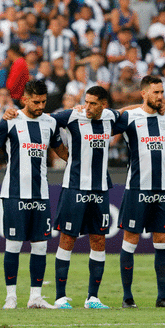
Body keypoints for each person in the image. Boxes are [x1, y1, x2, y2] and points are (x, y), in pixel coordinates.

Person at [112, 75, 165, 308]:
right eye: (155, 92)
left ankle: (162, 297)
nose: (160, 96)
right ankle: (127, 297)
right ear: (144, 93)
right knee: (130, 240)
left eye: (161, 92)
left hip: (162, 190)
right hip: (137, 189)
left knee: (162, 240)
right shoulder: (131, 117)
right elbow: (110, 117)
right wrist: (139, 106)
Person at [0, 80, 65, 310]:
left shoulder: (49, 122)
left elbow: (60, 150)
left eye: (43, 101)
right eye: (36, 101)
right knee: (13, 244)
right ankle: (11, 296)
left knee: (40, 246)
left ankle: (35, 297)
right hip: (14, 192)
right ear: (25, 100)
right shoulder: (10, 121)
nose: (40, 106)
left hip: (40, 193)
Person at [50, 86, 122, 310]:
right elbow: (46, 121)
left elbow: (131, 112)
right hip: (74, 187)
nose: (87, 107)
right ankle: (60, 297)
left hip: (100, 189)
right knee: (67, 239)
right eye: (86, 102)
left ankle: (93, 297)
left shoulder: (112, 118)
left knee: (99, 240)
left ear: (103, 105)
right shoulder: (72, 116)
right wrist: (62, 151)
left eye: (93, 103)